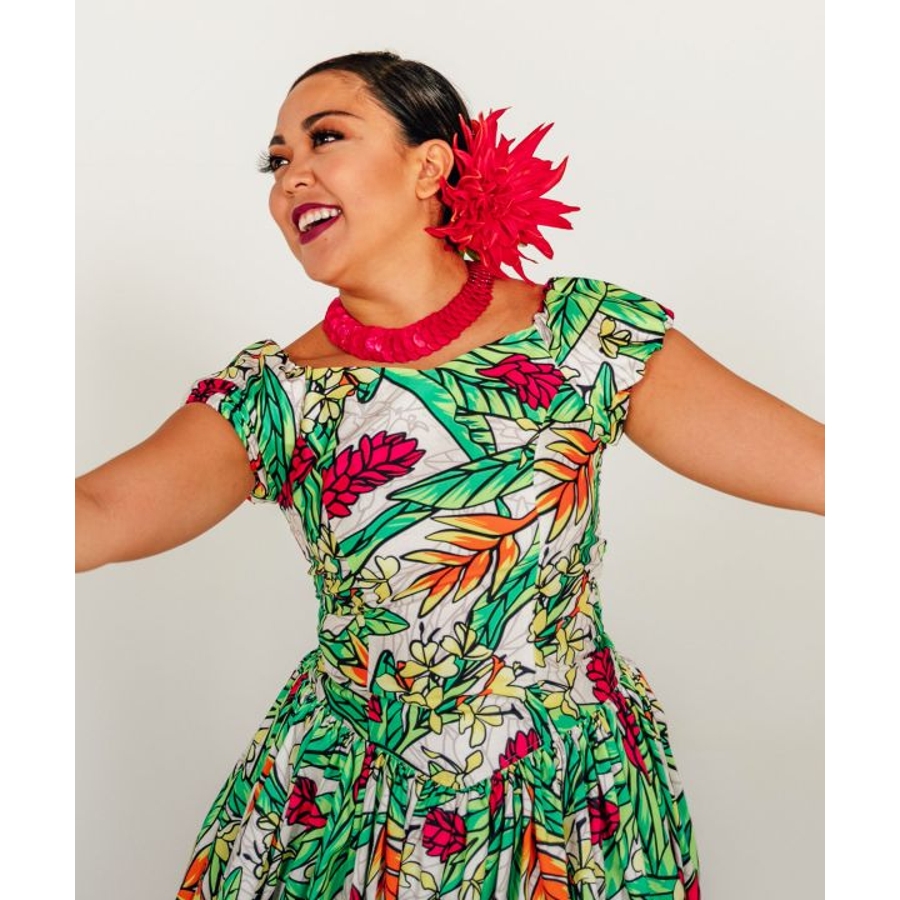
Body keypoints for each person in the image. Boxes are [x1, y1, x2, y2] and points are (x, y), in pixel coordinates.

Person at [75, 51, 824, 900]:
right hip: (354, 803)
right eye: (276, 160)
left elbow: (827, 468)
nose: (291, 177)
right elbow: (96, 511)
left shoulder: (583, 339)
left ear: (430, 165)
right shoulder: (274, 398)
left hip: (565, 798)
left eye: (326, 138)